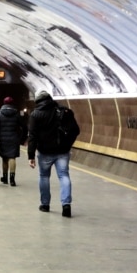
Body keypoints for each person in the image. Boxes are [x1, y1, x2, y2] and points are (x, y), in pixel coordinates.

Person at [27, 90, 80, 218]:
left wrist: (31, 156)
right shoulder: (62, 111)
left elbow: (32, 136)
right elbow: (75, 130)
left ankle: (45, 205)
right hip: (62, 151)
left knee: (44, 177)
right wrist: (67, 144)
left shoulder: (35, 115)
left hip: (44, 152)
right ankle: (66, 205)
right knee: (64, 176)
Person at [0, 96, 23, 187]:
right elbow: (23, 126)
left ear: (4, 103)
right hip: (14, 138)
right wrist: (21, 137)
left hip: (3, 138)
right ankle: (12, 179)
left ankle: (5, 178)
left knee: (5, 158)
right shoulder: (16, 114)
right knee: (12, 157)